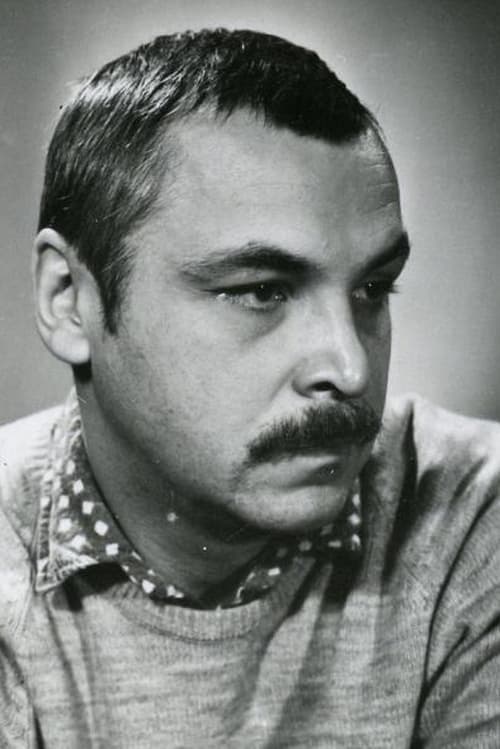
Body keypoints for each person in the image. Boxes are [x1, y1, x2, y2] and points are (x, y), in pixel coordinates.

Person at [1, 27, 499, 748]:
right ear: (69, 300)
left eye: (372, 287)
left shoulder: (470, 517)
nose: (350, 369)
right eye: (262, 291)